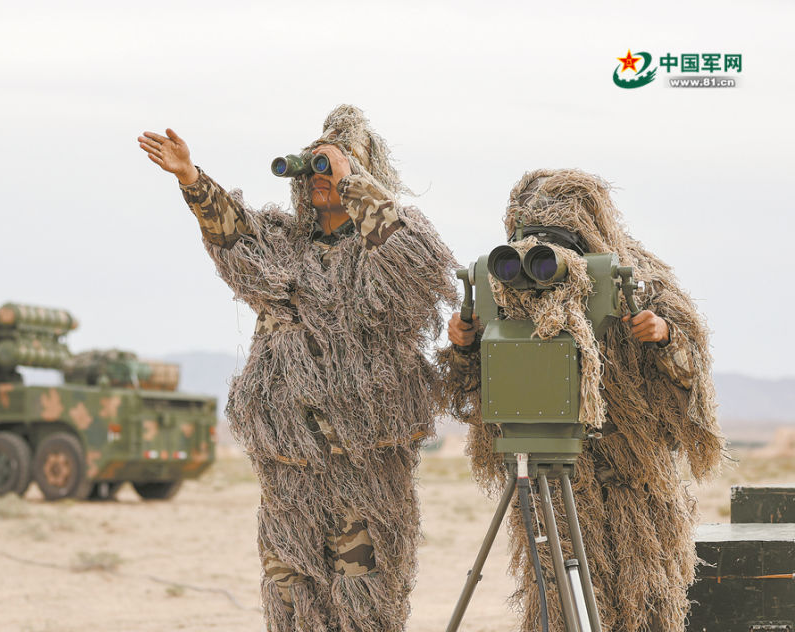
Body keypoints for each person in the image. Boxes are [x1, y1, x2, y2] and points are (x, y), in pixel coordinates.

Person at [138, 105, 457, 632]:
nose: (317, 180)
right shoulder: (284, 247)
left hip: (363, 472)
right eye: (312, 170)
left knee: (364, 601)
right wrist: (193, 179)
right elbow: (234, 236)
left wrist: (352, 179)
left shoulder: (386, 244)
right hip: (290, 472)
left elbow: (411, 268)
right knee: (288, 597)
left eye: (329, 169)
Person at [439, 168, 724, 632]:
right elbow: (475, 386)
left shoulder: (639, 276)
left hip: (635, 478)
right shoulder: (507, 277)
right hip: (547, 472)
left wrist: (665, 333)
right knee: (556, 598)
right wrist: (464, 343)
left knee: (644, 602)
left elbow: (693, 374)